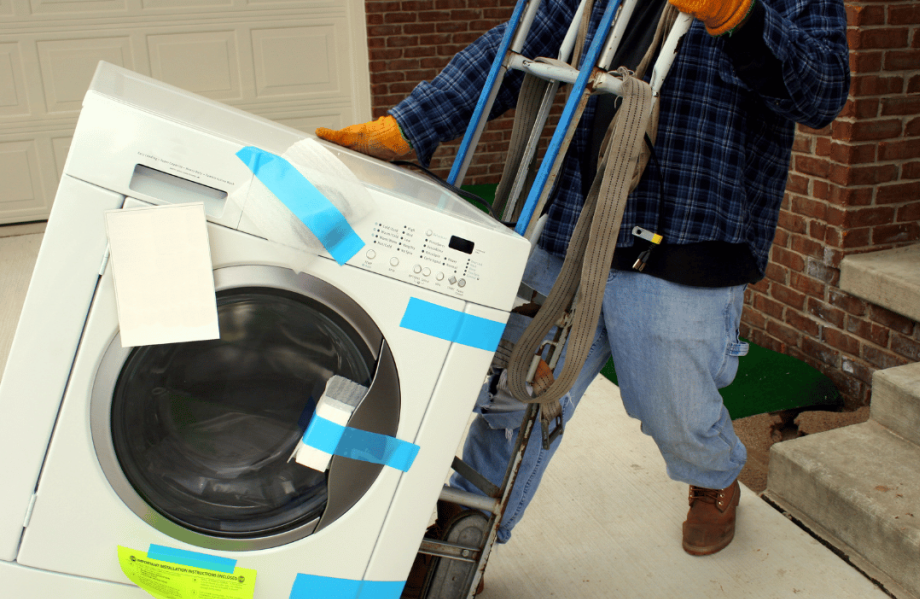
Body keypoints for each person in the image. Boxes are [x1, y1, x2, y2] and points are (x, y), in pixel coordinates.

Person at [318, 0, 850, 556]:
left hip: (688, 235)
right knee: (516, 396)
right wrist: (408, 126)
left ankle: (713, 478)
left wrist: (739, 17)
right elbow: (516, 46)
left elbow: (822, 94)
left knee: (676, 413)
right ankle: (458, 548)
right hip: (577, 224)